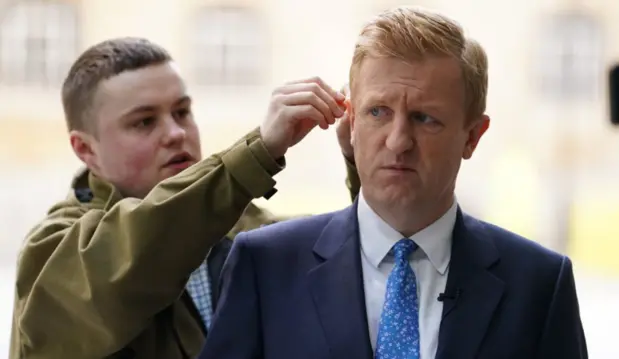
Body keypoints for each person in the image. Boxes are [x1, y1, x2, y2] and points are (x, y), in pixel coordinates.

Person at [198, 6, 588, 359]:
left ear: (472, 136)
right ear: (350, 123)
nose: (398, 141)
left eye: (425, 118)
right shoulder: (265, 265)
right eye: (378, 112)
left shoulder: (537, 284)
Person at [9, 37, 360, 358]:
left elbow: (367, 265)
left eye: (182, 112)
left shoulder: (246, 232)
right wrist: (256, 154)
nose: (175, 134)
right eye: (144, 122)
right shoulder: (53, 253)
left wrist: (364, 158)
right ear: (86, 149)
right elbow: (135, 254)